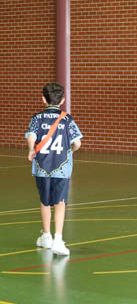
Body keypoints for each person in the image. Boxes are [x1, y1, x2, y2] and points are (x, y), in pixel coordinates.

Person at [26, 82, 83, 256]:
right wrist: (70, 150)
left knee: (45, 201)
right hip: (62, 166)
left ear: (43, 99)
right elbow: (77, 143)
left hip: (42, 166)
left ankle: (46, 236)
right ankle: (58, 239)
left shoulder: (37, 118)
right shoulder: (67, 119)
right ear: (63, 100)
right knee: (60, 202)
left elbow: (31, 137)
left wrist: (31, 150)